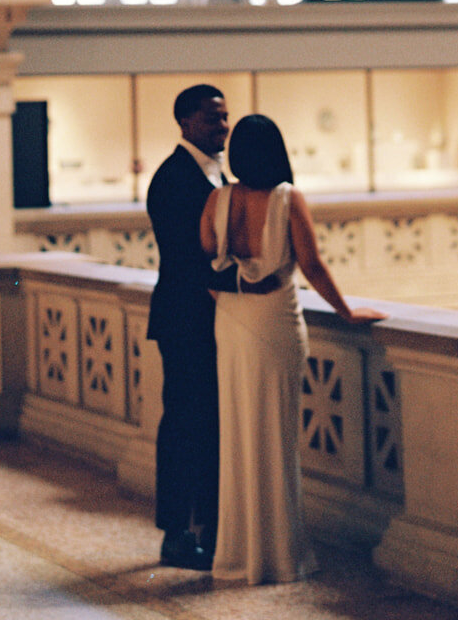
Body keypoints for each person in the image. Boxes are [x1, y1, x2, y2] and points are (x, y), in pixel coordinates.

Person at [200, 113, 385, 585]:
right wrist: (346, 312)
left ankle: (238, 554)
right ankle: (279, 555)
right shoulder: (288, 199)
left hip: (233, 322)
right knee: (278, 436)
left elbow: (205, 258)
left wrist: (225, 297)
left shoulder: (217, 200)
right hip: (276, 321)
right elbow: (313, 266)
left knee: (237, 432)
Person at [145, 83, 234, 570]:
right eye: (212, 118)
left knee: (208, 426)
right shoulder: (174, 178)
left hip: (208, 321)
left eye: (224, 118)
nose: (222, 126)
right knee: (183, 425)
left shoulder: (216, 173)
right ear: (185, 122)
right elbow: (186, 258)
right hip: (185, 321)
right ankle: (176, 534)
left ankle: (209, 527)